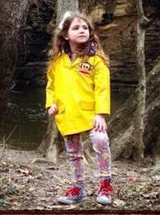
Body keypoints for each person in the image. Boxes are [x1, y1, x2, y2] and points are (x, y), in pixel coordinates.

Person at [45, 11, 113, 205]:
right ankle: (78, 188)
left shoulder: (95, 59)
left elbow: (102, 89)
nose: (82, 30)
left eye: (85, 27)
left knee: (100, 140)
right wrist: (51, 103)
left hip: (91, 113)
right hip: (67, 114)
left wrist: (101, 114)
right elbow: (51, 84)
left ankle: (105, 185)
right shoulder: (57, 61)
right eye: (76, 27)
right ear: (66, 34)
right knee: (74, 153)